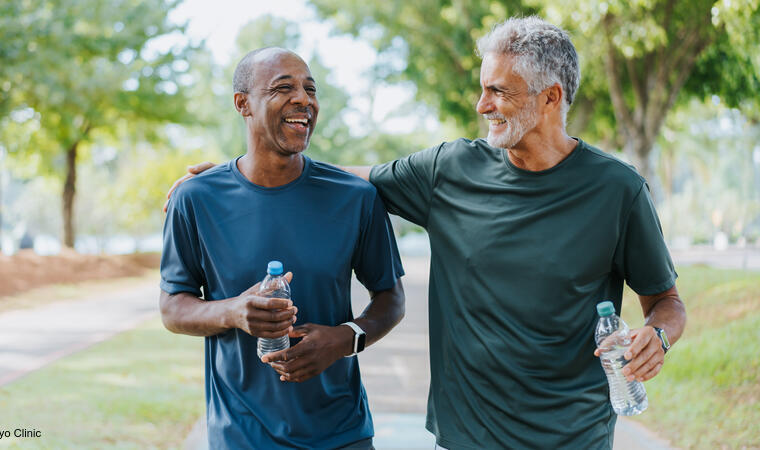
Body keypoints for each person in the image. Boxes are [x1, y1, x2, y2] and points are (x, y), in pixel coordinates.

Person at [167, 17, 686, 449]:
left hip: (577, 435)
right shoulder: (450, 169)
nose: (482, 105)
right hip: (466, 437)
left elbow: (665, 300)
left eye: (497, 91)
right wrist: (233, 175)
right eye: (482, 89)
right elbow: (339, 179)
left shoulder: (618, 189)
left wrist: (656, 336)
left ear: (550, 98)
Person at [159, 47, 405, 450]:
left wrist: (345, 338)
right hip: (240, 436)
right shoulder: (196, 199)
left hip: (342, 434)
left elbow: (391, 298)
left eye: (311, 89)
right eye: (283, 88)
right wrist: (234, 311)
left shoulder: (356, 198)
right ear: (244, 105)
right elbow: (172, 308)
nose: (304, 100)